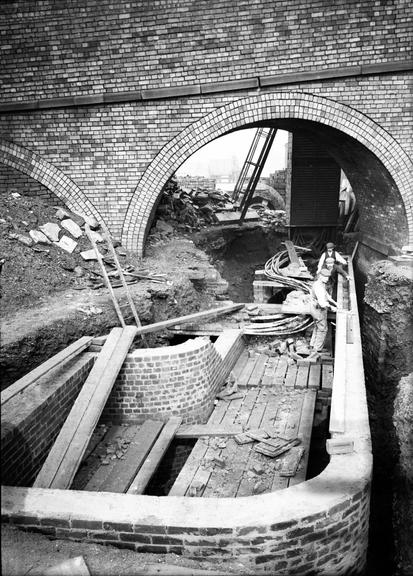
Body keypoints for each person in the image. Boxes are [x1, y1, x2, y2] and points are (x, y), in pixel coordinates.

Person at [308, 268, 338, 360]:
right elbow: (322, 303)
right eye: (325, 277)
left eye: (328, 277)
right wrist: (332, 307)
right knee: (323, 329)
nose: (327, 279)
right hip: (318, 310)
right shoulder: (318, 287)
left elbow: (327, 296)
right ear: (320, 276)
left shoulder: (320, 284)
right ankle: (317, 351)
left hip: (314, 309)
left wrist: (336, 303)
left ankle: (312, 345)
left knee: (317, 327)